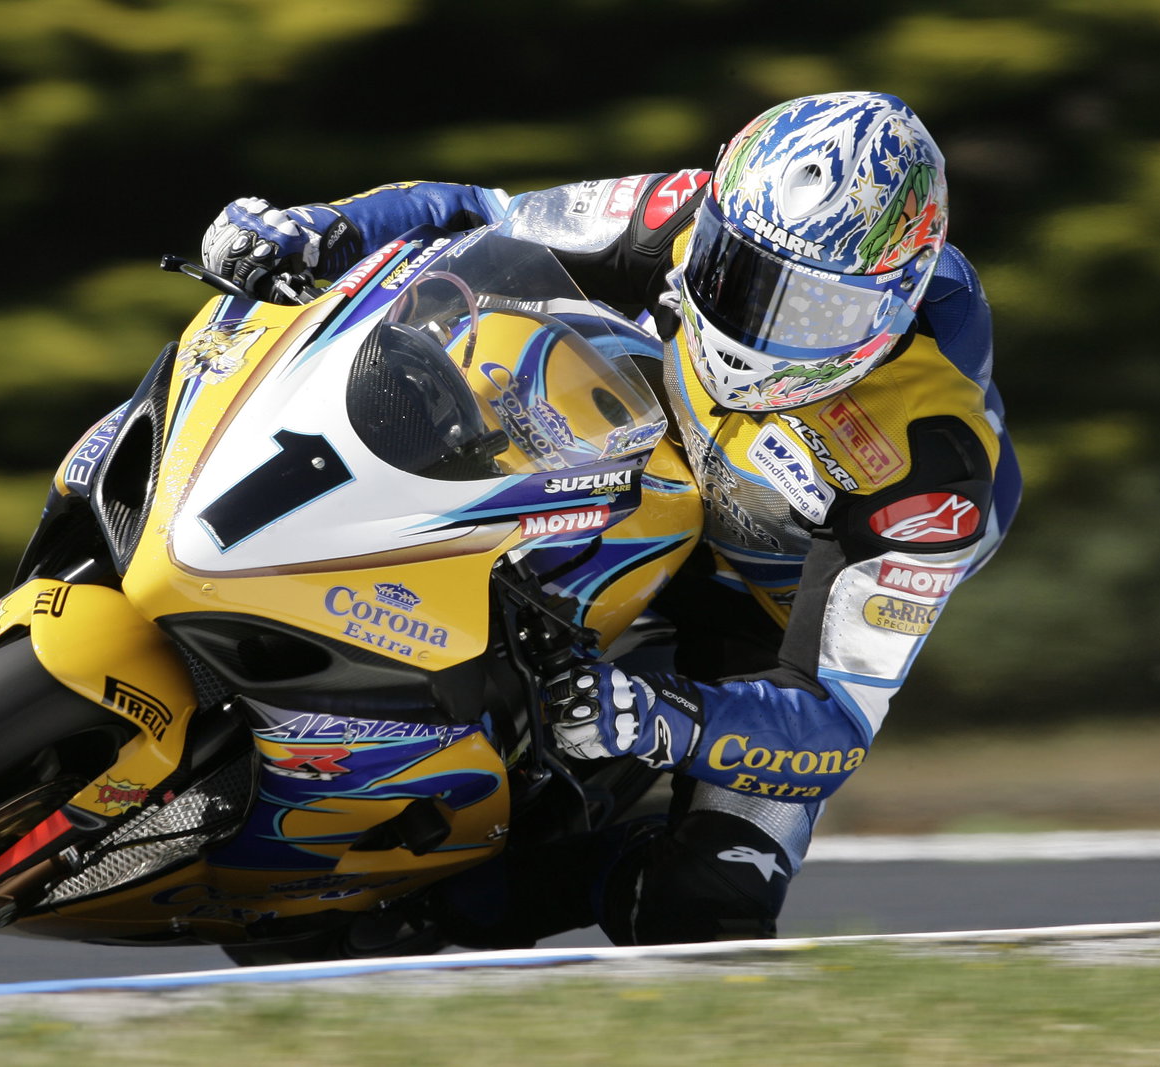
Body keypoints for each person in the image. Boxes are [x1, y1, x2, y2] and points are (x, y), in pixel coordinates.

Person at [199, 91, 1022, 945]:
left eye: (813, 311)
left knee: (709, 910)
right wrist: (325, 227)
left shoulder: (935, 465)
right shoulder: (690, 209)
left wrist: (668, 718)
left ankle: (461, 899)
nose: (755, 328)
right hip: (626, 474)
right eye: (735, 273)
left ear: (891, 305)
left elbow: (834, 721)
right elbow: (484, 218)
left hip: (768, 621)